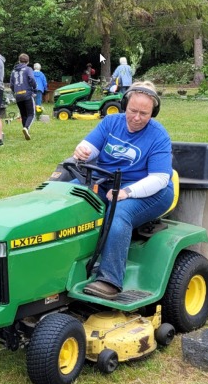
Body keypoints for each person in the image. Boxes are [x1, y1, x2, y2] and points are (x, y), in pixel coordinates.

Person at [74, 81, 175, 300]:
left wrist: (127, 192)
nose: (137, 117)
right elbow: (89, 147)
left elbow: (159, 178)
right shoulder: (110, 122)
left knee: (118, 213)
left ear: (153, 112)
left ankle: (110, 280)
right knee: (69, 195)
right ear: (124, 105)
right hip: (109, 182)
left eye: (144, 113)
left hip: (151, 192)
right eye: (133, 111)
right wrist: (82, 151)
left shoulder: (158, 135)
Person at [10, 53, 37, 141]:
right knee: (31, 114)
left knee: (23, 114)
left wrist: (15, 91)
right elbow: (32, 79)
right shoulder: (28, 69)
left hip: (18, 95)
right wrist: (34, 88)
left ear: (19, 61)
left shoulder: (13, 71)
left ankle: (26, 130)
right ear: (28, 61)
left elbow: (11, 84)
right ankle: (26, 127)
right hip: (27, 93)